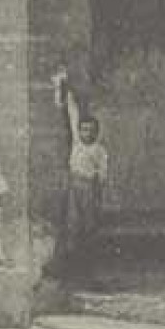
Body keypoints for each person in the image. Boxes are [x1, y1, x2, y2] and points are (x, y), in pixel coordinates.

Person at [52, 71, 108, 282]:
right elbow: (72, 113)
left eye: (90, 130)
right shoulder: (76, 143)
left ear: (96, 132)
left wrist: (97, 197)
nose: (86, 134)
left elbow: (102, 176)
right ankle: (70, 269)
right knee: (71, 227)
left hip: (89, 189)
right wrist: (66, 89)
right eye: (83, 130)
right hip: (74, 187)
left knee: (89, 229)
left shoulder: (99, 150)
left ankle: (88, 271)